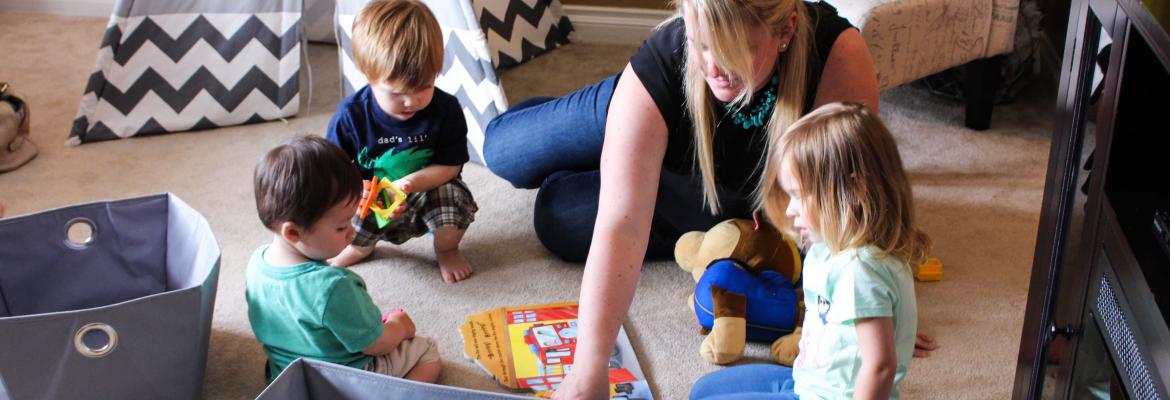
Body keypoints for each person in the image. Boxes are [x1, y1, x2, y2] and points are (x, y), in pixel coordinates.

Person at [484, 0, 939, 398]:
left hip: (717, 195)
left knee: (556, 217)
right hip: (651, 116)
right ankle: (611, 128)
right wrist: (588, 370)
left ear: (785, 32)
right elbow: (621, 223)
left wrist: (878, 307)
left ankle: (630, 163)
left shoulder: (836, 55)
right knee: (504, 151)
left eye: (729, 50)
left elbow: (857, 195)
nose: (713, 65)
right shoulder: (669, 60)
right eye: (702, 44)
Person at [689, 102, 930, 399]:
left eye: (799, 196)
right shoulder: (827, 249)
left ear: (853, 192)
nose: (790, 209)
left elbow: (880, 366)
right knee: (704, 391)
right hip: (808, 381)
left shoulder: (861, 272)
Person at [246, 135, 441, 383]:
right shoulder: (334, 285)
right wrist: (399, 326)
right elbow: (377, 345)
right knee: (427, 350)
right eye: (341, 227)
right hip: (347, 379)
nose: (352, 231)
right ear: (293, 232)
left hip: (289, 376)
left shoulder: (256, 264)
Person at [326, 0, 478, 283]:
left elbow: (451, 166)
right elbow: (330, 168)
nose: (412, 101)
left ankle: (446, 250)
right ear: (368, 76)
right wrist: (355, 189)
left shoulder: (446, 109)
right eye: (396, 93)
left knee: (455, 198)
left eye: (424, 87)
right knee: (339, 206)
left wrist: (410, 184)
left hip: (426, 193)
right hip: (372, 199)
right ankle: (360, 247)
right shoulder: (352, 114)